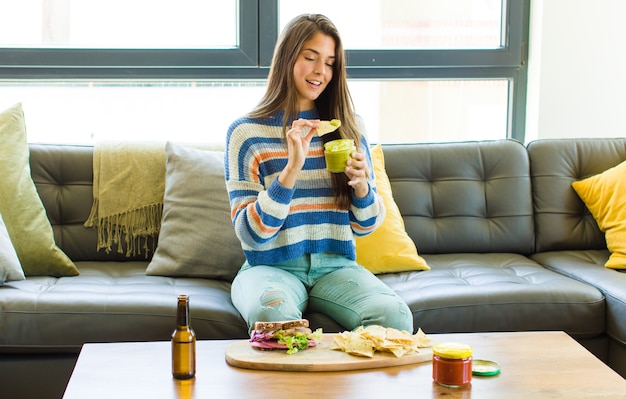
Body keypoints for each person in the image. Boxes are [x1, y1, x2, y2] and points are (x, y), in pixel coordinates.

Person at [225, 14, 413, 334]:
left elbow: (366, 225)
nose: (320, 72)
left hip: (336, 266)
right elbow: (250, 233)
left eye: (329, 63)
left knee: (394, 317)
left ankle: (343, 383)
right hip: (269, 267)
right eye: (310, 58)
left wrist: (362, 187)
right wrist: (291, 170)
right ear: (287, 58)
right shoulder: (246, 133)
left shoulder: (348, 127)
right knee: (272, 319)